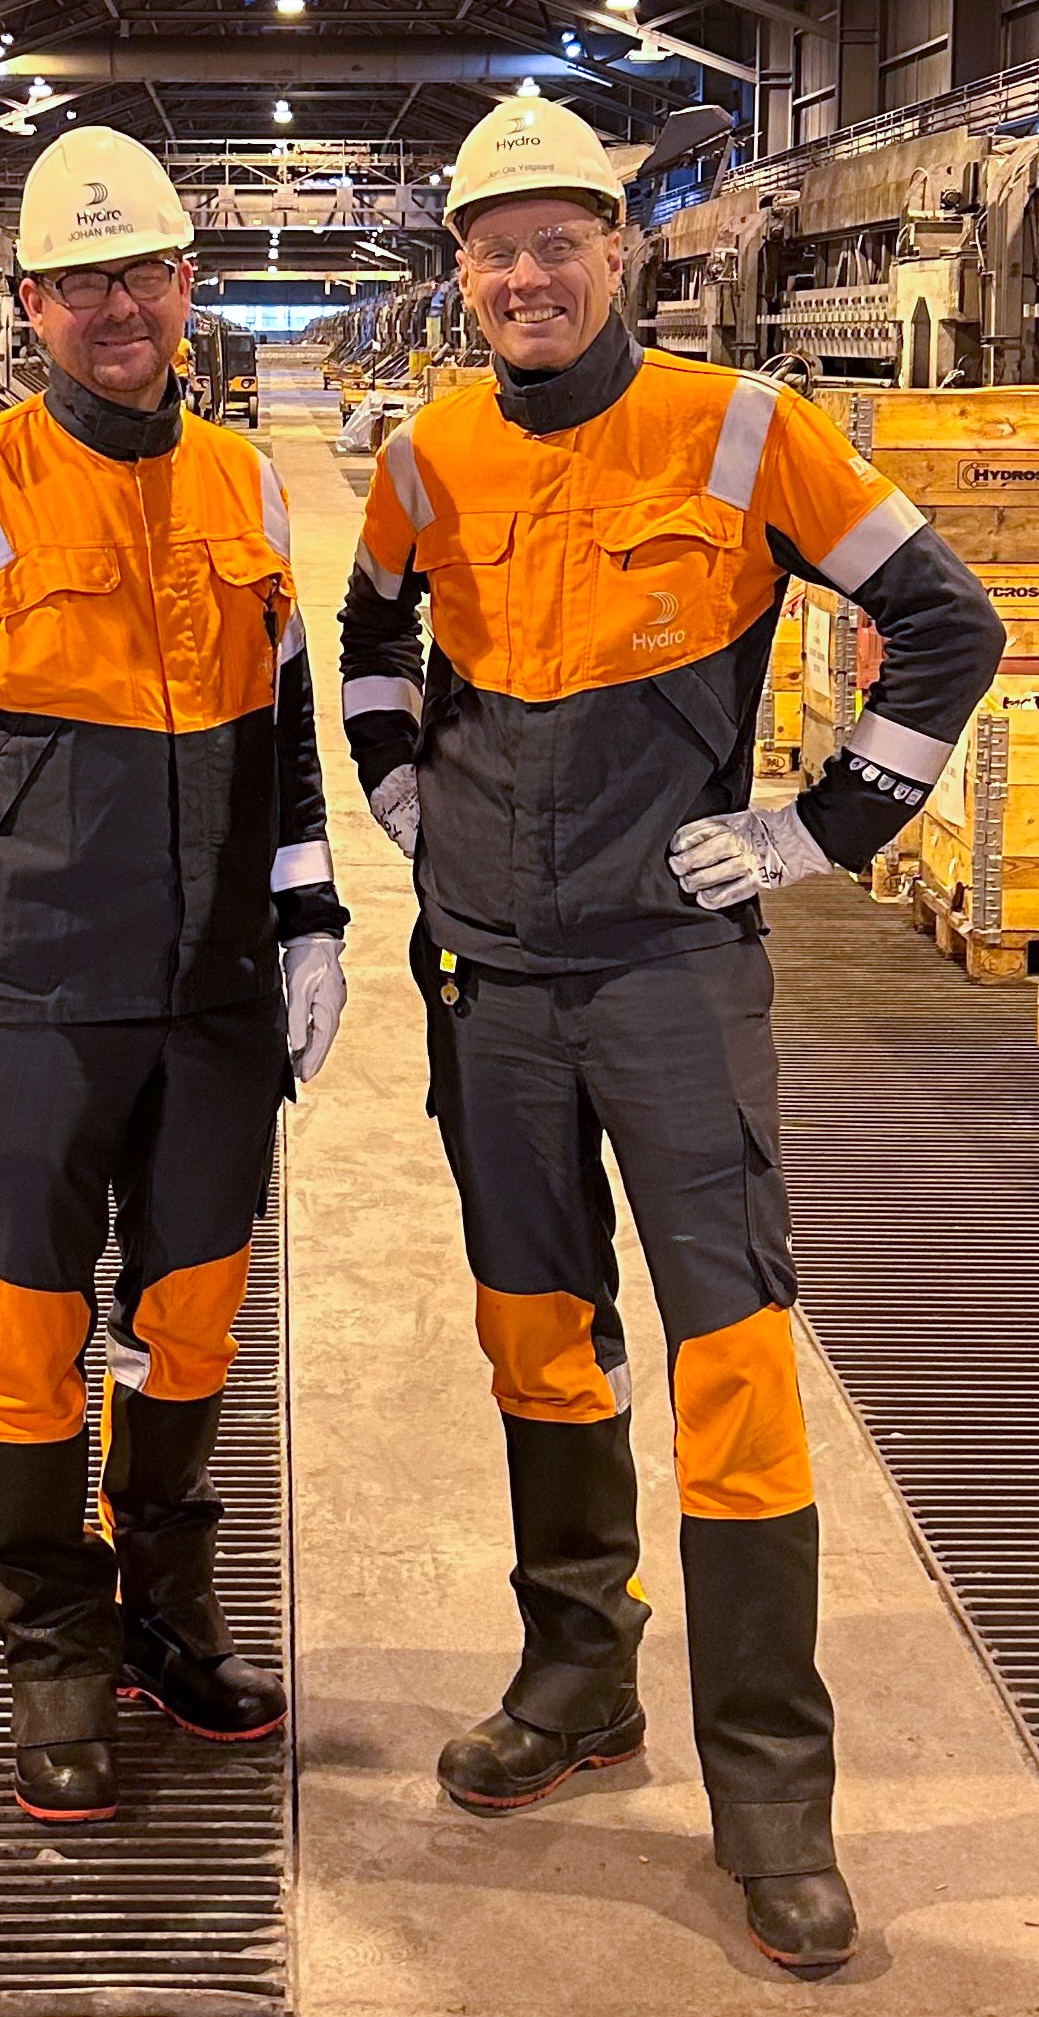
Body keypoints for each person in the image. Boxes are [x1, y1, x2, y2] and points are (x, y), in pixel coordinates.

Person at [339, 97, 1001, 1972]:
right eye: (494, 247)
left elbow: (939, 624)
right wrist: (399, 794)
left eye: (561, 240)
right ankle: (576, 1680)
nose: (527, 276)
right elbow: (368, 631)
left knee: (729, 1358)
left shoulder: (744, 428)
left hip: (666, 976)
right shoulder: (425, 450)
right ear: (458, 273)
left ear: (617, 252)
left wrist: (818, 828)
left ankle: (770, 1789)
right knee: (538, 1332)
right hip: (485, 972)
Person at [0, 124, 347, 1826]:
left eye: (141, 274)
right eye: (80, 283)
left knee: (194, 1315)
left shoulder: (243, 482)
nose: (116, 309)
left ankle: (165, 1611)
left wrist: (312, 918)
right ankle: (52, 1651)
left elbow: (279, 734)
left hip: (211, 997)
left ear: (186, 289)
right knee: (29, 1339)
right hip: (37, 992)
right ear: (31, 305)